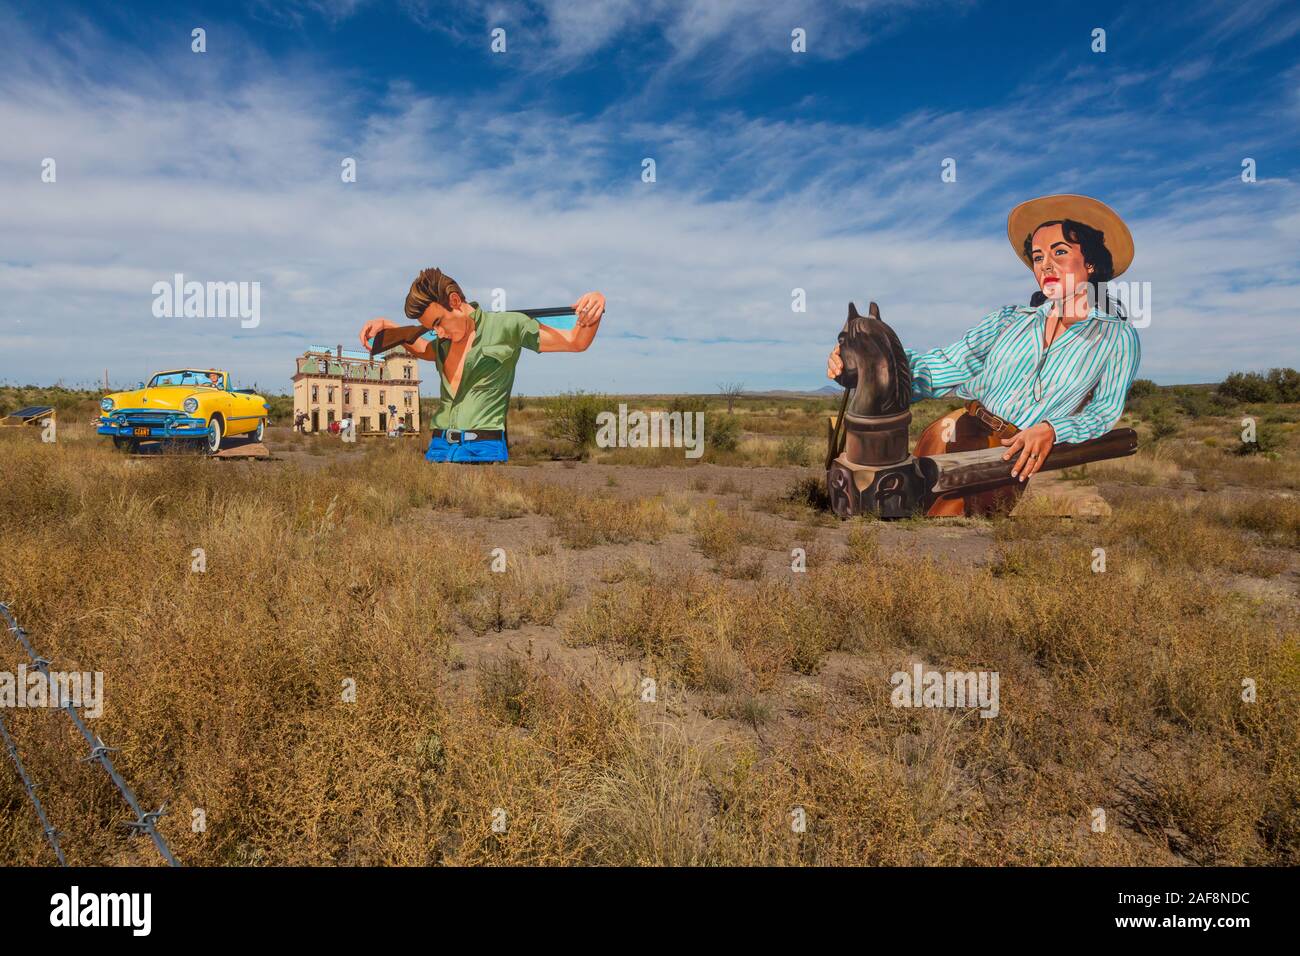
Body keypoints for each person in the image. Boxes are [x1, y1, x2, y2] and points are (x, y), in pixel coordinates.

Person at [827, 194, 1140, 516]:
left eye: (1060, 252)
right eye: (1037, 256)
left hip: (1011, 451)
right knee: (904, 515)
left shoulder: (1116, 338)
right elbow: (949, 364)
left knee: (960, 531)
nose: (1046, 264)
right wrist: (870, 362)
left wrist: (1053, 429)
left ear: (1090, 263)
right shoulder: (1009, 320)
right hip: (954, 431)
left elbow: (1104, 410)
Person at [359, 267, 605, 463]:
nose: (438, 332)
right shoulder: (442, 343)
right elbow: (423, 348)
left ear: (454, 301)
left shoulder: (508, 325)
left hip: (484, 451)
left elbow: (575, 341)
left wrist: (595, 302)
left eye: (438, 322)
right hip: (437, 449)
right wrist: (390, 327)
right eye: (431, 328)